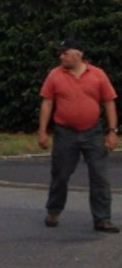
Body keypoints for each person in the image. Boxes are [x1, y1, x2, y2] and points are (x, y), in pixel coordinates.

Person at [38, 38, 119, 233]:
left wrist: (112, 131)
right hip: (65, 133)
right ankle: (54, 211)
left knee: (99, 176)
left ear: (77, 55)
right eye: (61, 53)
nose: (61, 56)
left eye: (65, 53)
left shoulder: (97, 74)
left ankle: (102, 219)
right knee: (61, 174)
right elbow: (47, 103)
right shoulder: (55, 75)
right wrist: (42, 131)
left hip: (93, 132)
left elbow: (109, 103)